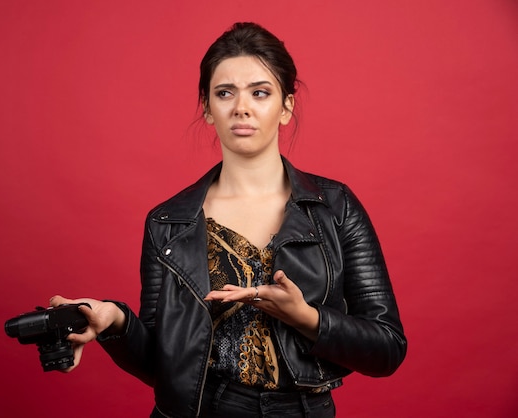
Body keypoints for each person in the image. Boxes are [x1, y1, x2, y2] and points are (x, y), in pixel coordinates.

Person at [50, 22, 407, 417]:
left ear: (286, 106)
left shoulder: (335, 207)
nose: (242, 107)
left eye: (260, 92)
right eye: (225, 93)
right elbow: (166, 366)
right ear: (207, 108)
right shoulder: (169, 222)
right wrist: (115, 321)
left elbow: (387, 348)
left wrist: (305, 317)